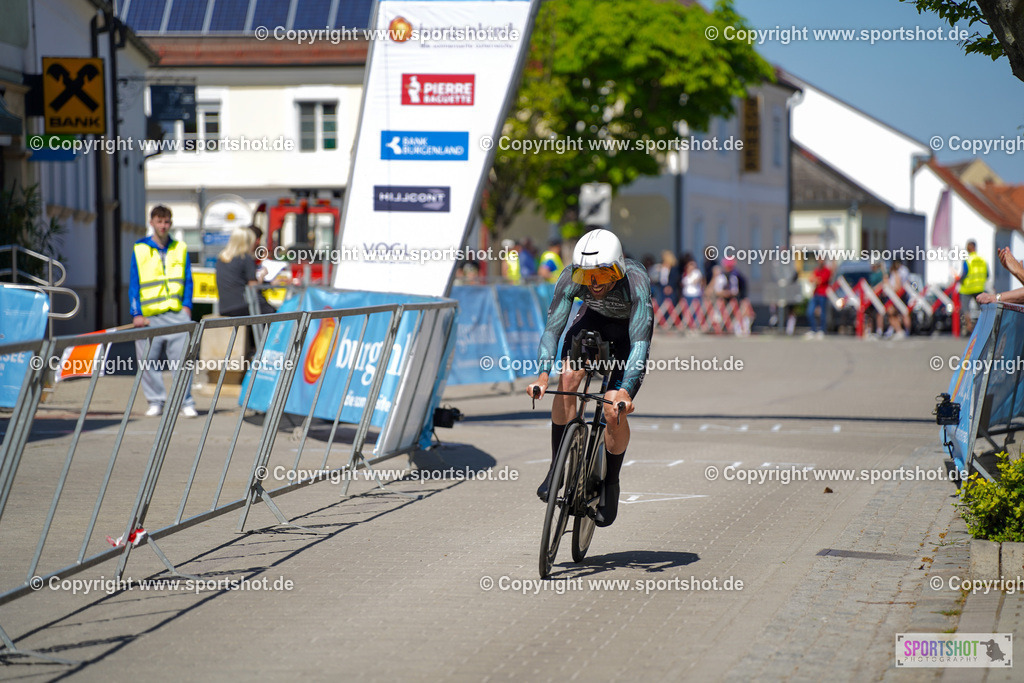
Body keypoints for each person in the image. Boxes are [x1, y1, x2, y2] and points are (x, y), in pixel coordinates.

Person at [528, 229, 653, 528]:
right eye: (587, 276)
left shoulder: (636, 284)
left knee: (612, 409)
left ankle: (611, 482)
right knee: (567, 380)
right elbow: (552, 329)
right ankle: (557, 468)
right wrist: (544, 373)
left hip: (627, 335)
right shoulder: (571, 276)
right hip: (593, 320)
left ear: (619, 268)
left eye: (602, 274)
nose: (594, 283)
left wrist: (625, 392)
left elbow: (639, 344)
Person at [130, 205, 197, 418]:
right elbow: (134, 282)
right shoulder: (140, 248)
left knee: (183, 361)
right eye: (159, 221)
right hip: (149, 316)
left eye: (167, 221)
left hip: (176, 313)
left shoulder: (180, 247)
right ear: (152, 223)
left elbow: (188, 279)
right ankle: (156, 401)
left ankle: (184, 401)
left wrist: (187, 307)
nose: (163, 225)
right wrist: (136, 313)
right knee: (147, 361)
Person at [216, 226, 276, 317]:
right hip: (243, 306)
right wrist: (262, 276)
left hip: (224, 308)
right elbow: (254, 288)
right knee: (274, 314)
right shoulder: (245, 258)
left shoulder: (221, 258)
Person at [959, 239, 988, 336]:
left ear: (970, 247)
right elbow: (987, 274)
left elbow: (964, 273)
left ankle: (969, 328)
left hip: (967, 288)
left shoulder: (968, 260)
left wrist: (959, 280)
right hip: (979, 288)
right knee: (983, 309)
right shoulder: (982, 260)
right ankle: (984, 327)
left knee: (965, 309)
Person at [805, 260, 832, 339]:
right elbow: (810, 279)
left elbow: (821, 281)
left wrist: (815, 279)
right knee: (810, 312)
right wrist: (815, 279)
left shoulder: (827, 270)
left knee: (823, 313)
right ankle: (813, 329)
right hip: (815, 293)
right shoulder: (816, 270)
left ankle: (822, 330)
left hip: (823, 294)